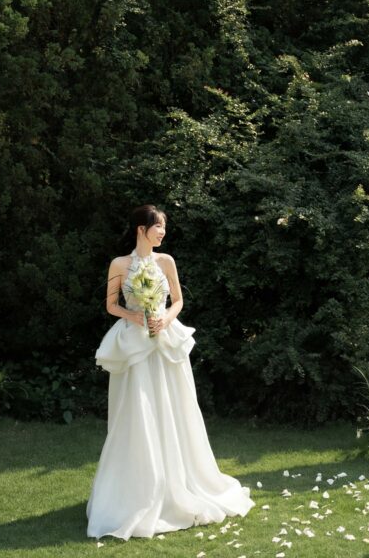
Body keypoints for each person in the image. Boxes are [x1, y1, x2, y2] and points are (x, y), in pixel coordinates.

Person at [86, 204, 253, 540]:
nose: (163, 232)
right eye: (158, 226)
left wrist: (165, 318)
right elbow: (111, 304)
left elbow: (178, 301)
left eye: (164, 226)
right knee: (137, 412)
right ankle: (136, 491)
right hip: (134, 344)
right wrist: (136, 317)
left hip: (165, 341)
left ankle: (179, 483)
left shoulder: (167, 262)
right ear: (141, 229)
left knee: (175, 408)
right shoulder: (119, 264)